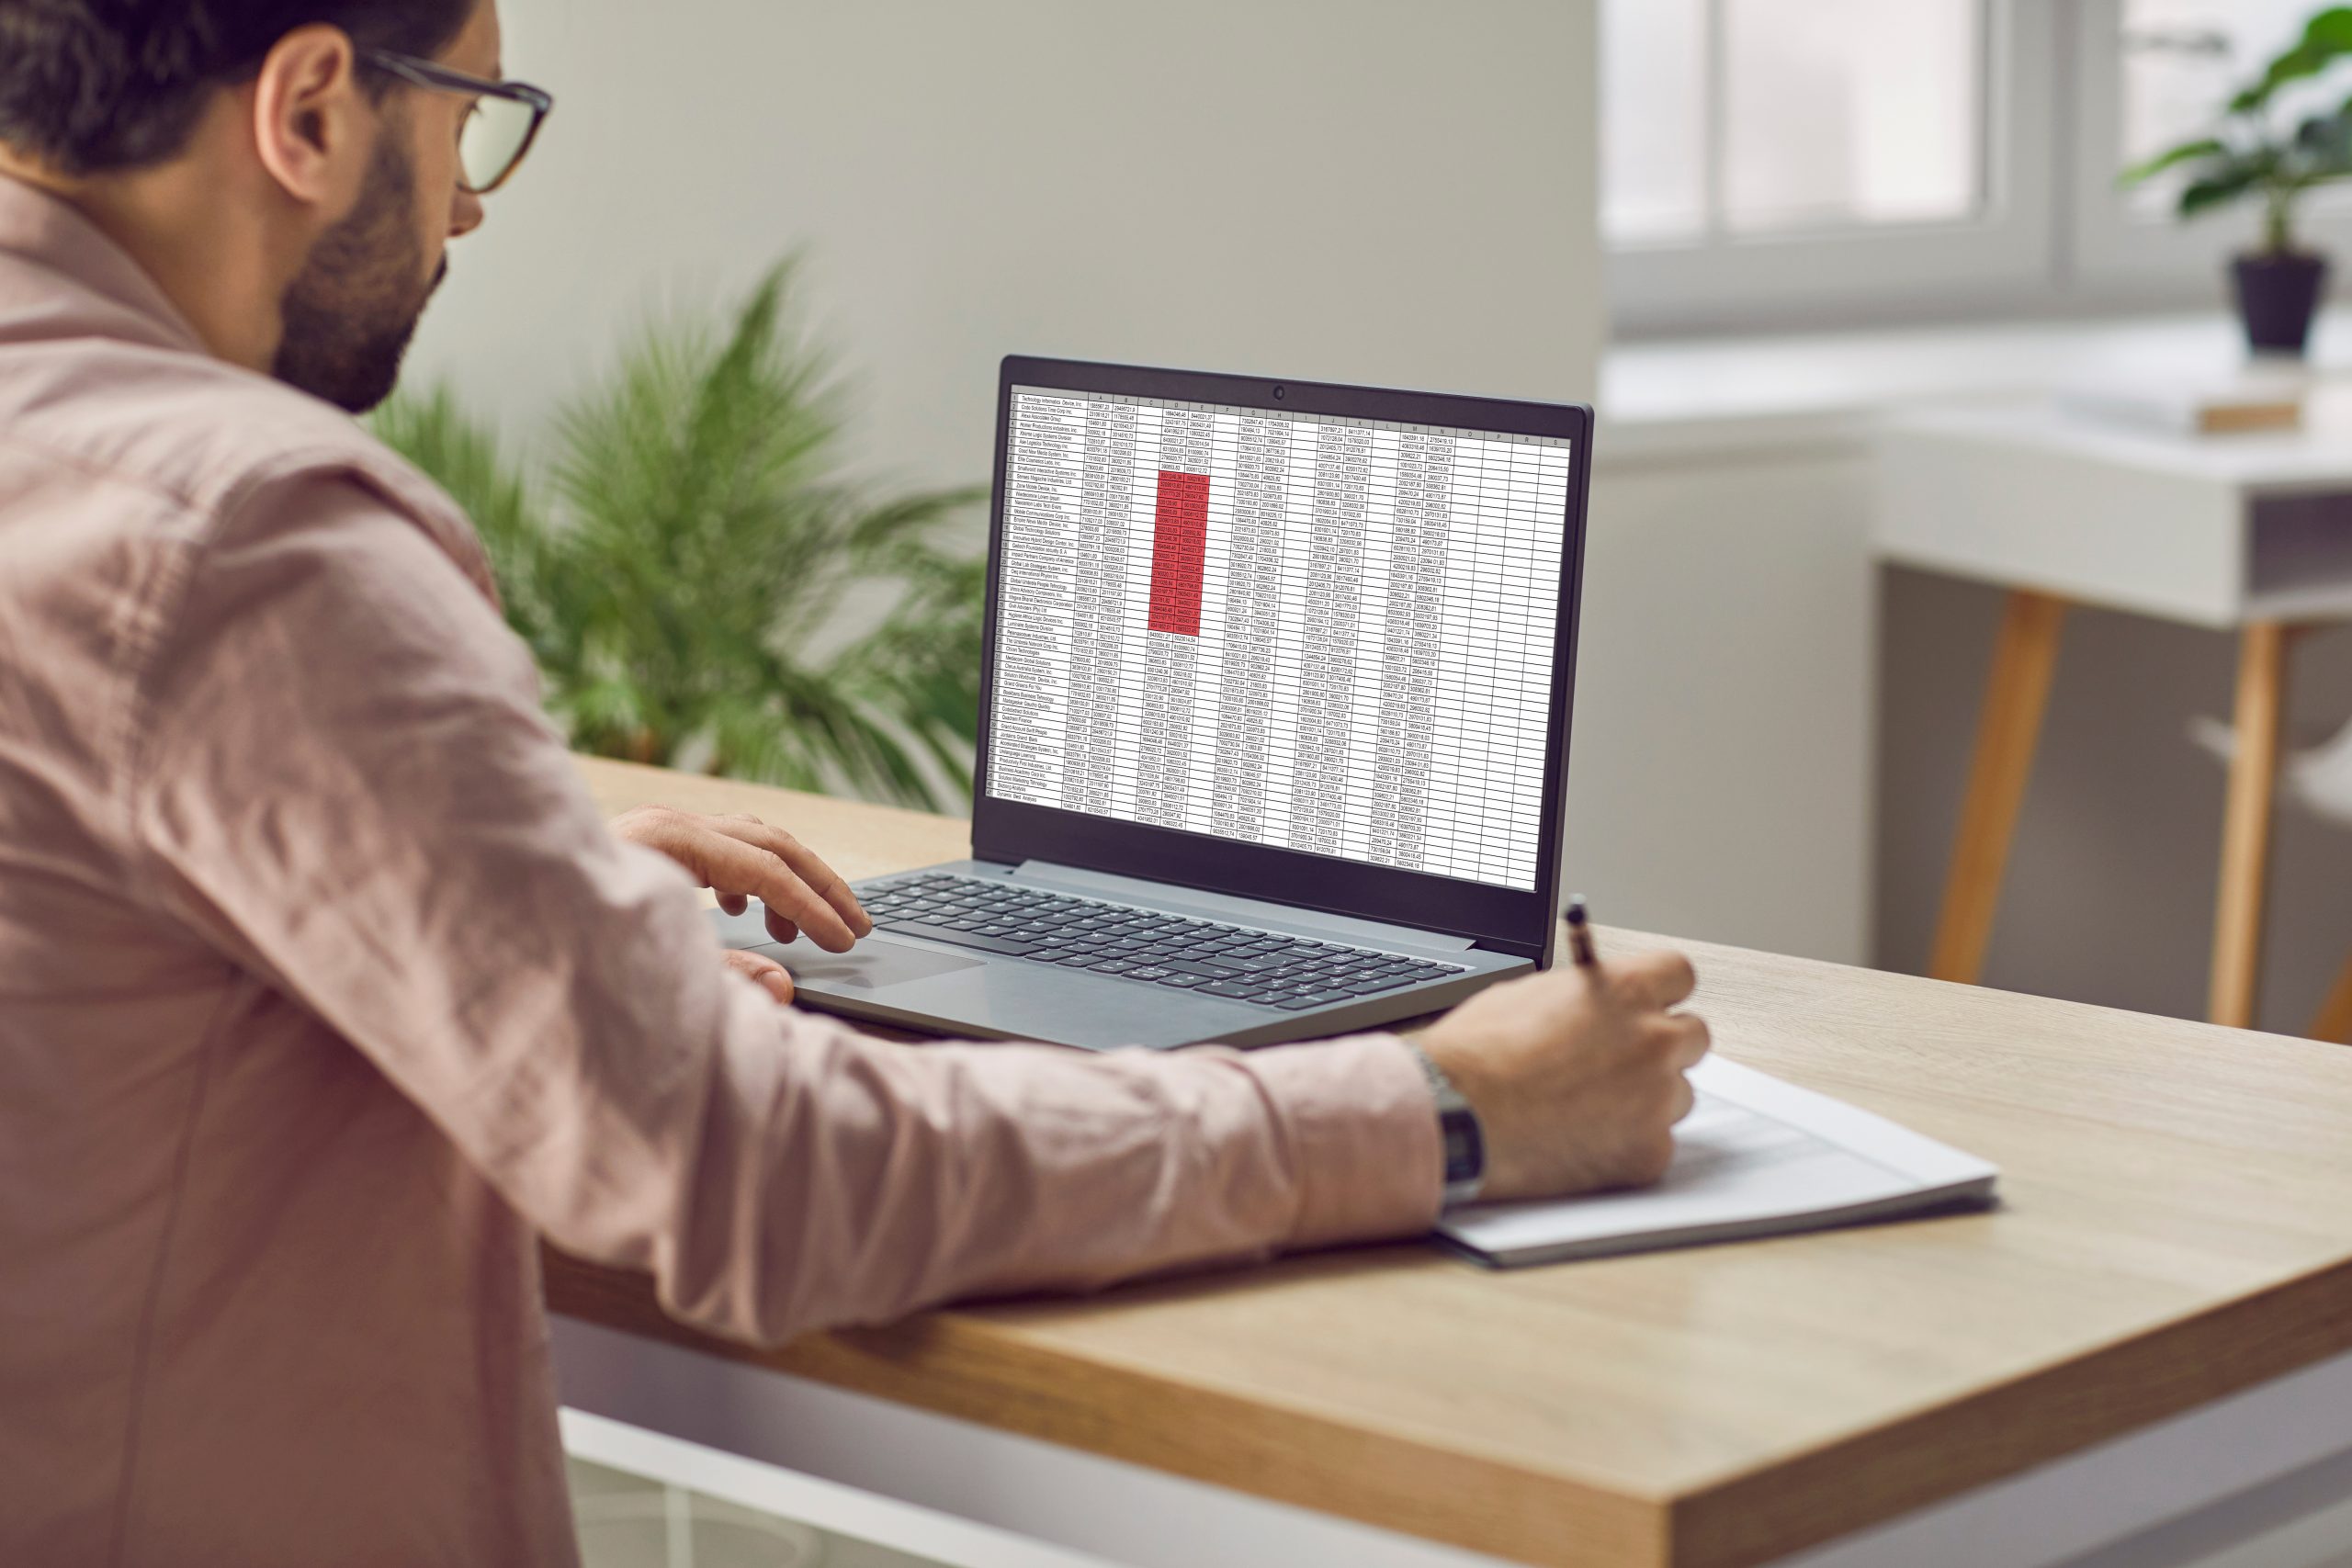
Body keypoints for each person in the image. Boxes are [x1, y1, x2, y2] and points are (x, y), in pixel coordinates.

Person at [0, 1, 1712, 1562]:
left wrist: (503, 884)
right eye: (471, 114)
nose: (466, 207)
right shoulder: (249, 542)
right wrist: (1447, 1107)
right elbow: (746, 1174)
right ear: (308, 109)